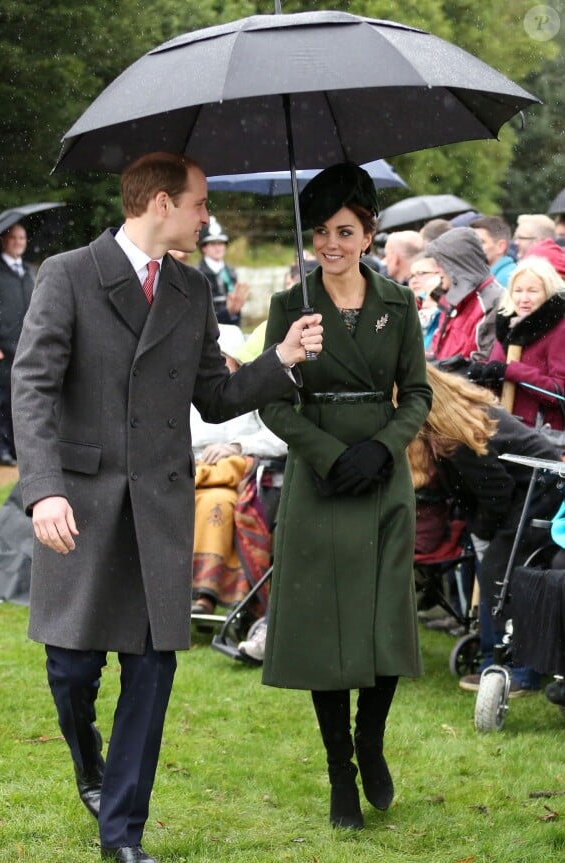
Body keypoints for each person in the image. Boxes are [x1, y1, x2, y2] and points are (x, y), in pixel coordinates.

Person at [10, 151, 323, 863]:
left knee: (151, 672)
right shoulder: (68, 275)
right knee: (71, 670)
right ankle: (89, 762)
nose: (205, 214)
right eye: (197, 202)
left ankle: (123, 831)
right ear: (158, 202)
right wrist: (44, 487)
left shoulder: (190, 288)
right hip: (80, 505)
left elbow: (214, 395)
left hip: (159, 507)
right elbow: (30, 388)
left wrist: (281, 358)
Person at [258, 162, 432, 830]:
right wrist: (331, 454)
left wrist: (382, 447)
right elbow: (272, 401)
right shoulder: (289, 307)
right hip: (319, 474)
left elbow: (417, 392)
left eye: (345, 229)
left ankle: (370, 737)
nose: (331, 243)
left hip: (382, 475)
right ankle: (339, 770)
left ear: (368, 232)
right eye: (322, 231)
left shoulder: (398, 303)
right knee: (325, 625)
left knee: (386, 614)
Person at [408, 365, 563, 695]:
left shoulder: (455, 437)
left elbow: (496, 491)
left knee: (504, 572)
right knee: (493, 568)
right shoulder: (452, 423)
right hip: (519, 491)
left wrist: (483, 528)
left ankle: (520, 669)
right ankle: (494, 657)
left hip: (540, 488)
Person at [190, 324, 287, 616]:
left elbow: (279, 438)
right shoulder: (187, 394)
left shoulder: (253, 394)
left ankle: (205, 594)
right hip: (190, 472)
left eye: (222, 359)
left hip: (238, 479)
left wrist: (237, 446)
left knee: (216, 504)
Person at [466, 256, 565, 440]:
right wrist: (483, 375)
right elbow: (498, 372)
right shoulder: (508, 326)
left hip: (544, 435)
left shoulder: (560, 330)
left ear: (549, 292)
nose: (523, 299)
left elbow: (559, 392)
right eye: (518, 291)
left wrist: (511, 371)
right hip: (505, 429)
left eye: (533, 291)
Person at [0, 223, 36, 466]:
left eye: (22, 237)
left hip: (27, 347)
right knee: (2, 400)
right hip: (2, 350)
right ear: (4, 241)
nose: (18, 241)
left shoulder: (29, 272)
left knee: (24, 400)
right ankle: (0, 450)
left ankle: (17, 450)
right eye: (13, 237)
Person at [425, 227, 505, 362]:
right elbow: (435, 352)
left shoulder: (494, 301)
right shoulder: (452, 298)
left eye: (441, 264)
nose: (436, 270)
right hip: (442, 382)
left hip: (459, 383)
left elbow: (483, 365)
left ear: (458, 264)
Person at [197, 215, 249, 324]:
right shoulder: (197, 274)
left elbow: (236, 309)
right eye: (213, 244)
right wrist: (227, 313)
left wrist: (233, 313)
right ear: (203, 247)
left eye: (220, 243)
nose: (218, 248)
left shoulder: (231, 272)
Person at [469, 215, 516, 288]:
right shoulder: (484, 276)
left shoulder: (509, 278)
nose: (471, 247)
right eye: (469, 242)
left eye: (480, 242)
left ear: (501, 246)